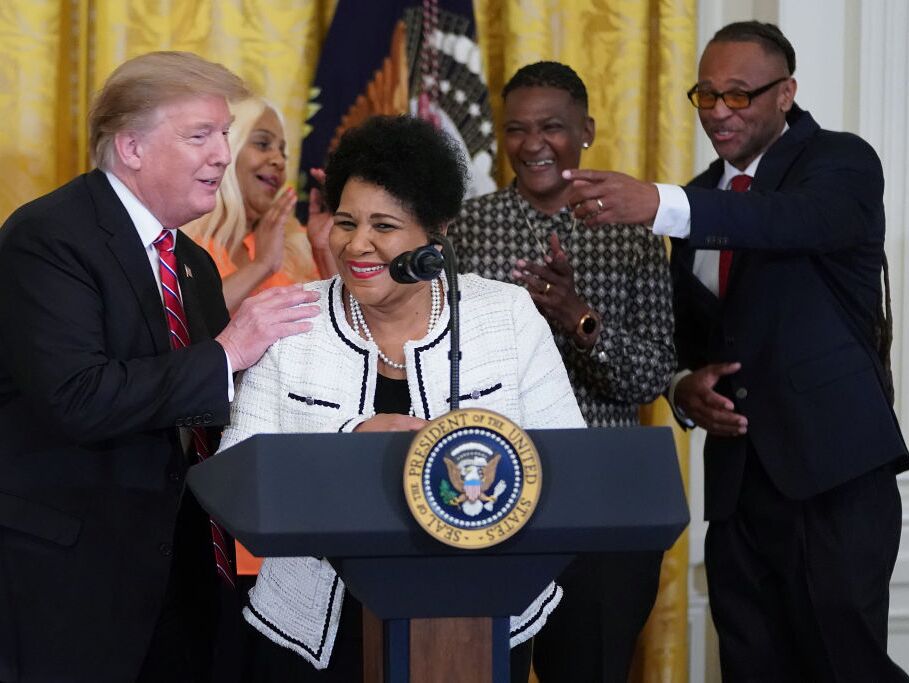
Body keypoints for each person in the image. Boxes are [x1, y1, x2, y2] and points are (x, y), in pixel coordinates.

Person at [564, 21, 909, 681]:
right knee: (751, 666)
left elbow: (792, 222)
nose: (718, 112)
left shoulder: (838, 163)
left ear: (786, 93)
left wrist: (661, 202)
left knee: (845, 664)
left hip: (831, 475)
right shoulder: (699, 198)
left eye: (739, 95)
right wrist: (684, 382)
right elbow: (699, 339)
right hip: (737, 489)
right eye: (706, 95)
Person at [217, 114, 585, 682]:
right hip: (312, 626)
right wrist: (352, 446)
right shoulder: (289, 321)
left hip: (479, 613)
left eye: (384, 226)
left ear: (434, 235)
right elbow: (237, 475)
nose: (356, 244)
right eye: (345, 222)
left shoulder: (505, 315)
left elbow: (566, 460)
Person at [0, 51, 319, 682]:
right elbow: (78, 396)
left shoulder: (191, 262)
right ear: (131, 147)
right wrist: (230, 350)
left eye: (223, 135)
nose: (222, 156)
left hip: (183, 581)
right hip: (73, 584)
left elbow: (206, 403)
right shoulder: (48, 238)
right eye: (199, 136)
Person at [449, 61, 675, 682]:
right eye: (516, 129)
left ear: (587, 131)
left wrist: (580, 319)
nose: (532, 144)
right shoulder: (467, 229)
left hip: (603, 497)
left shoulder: (631, 234)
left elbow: (653, 374)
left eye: (551, 126)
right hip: (490, 488)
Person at [183, 97, 336, 314]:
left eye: (283, 152)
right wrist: (262, 265)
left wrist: (323, 250)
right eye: (263, 144)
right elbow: (189, 325)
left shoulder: (299, 241)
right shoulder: (180, 241)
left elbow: (352, 330)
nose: (279, 161)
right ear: (226, 149)